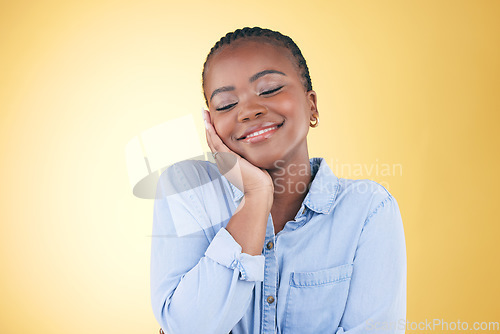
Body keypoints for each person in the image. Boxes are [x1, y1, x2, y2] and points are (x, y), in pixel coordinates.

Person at [150, 27, 406, 334]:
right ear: (211, 124)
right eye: (226, 105)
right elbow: (188, 327)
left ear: (312, 105)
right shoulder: (187, 188)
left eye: (269, 89)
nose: (248, 110)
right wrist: (256, 197)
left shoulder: (368, 209)